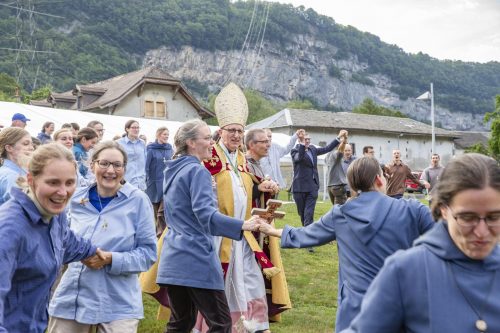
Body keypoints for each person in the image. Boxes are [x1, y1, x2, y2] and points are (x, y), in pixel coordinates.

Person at [259, 156, 435, 332]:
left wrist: (271, 230)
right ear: (378, 179)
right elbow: (447, 235)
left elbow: (304, 235)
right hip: (402, 306)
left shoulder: (340, 214)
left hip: (355, 310)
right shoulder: (414, 210)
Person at [341, 153, 500, 333]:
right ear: (444, 210)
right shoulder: (406, 271)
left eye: (494, 217)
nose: (481, 231)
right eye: (467, 217)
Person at [156, 119, 265, 333]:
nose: (211, 142)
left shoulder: (173, 169)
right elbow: (206, 216)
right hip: (196, 258)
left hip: (173, 257)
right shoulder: (198, 172)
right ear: (191, 143)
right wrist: (243, 225)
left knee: (181, 323)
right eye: (206, 138)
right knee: (221, 323)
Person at [197, 83, 289, 333]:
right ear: (221, 131)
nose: (236, 135)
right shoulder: (210, 158)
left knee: (249, 278)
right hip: (218, 233)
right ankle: (214, 326)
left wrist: (264, 187)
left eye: (239, 131)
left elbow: (245, 190)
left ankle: (253, 324)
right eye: (231, 131)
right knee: (220, 282)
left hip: (244, 233)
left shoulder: (240, 160)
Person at [48, 141, 157, 333]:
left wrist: (111, 259)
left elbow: (148, 254)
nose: (110, 170)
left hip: (117, 300)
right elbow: (57, 240)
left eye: (117, 165)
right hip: (73, 296)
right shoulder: (75, 198)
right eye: (104, 163)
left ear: (124, 168)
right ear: (92, 165)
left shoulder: (138, 201)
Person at [0, 143, 100, 333]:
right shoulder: (9, 230)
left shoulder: (52, 212)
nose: (63, 192)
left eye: (69, 183)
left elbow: (65, 239)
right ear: (31, 180)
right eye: (53, 182)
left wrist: (93, 251)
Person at [291, 129, 346, 229]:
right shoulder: (295, 151)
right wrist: (302, 145)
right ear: (300, 140)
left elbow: (327, 148)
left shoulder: (313, 149)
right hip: (299, 189)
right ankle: (305, 233)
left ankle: (309, 239)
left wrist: (338, 137)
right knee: (302, 214)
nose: (307, 141)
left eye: (308, 139)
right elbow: (299, 158)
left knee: (309, 214)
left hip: (312, 187)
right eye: (305, 139)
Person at [146, 126, 173, 236]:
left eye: (167, 134)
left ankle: (160, 233)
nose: (166, 136)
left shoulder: (169, 148)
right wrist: (146, 180)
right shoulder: (151, 149)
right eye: (164, 134)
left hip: (166, 181)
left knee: (162, 210)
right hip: (153, 182)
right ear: (158, 135)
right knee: (154, 208)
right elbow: (146, 166)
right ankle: (153, 231)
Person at [0, 127, 34, 204]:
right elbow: (26, 206)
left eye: (32, 144)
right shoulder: (10, 175)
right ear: (9, 148)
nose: (32, 148)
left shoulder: (21, 170)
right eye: (26, 143)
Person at [260, 128, 299, 192]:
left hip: (276, 184)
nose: (269, 138)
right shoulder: (257, 149)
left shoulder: (275, 146)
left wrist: (295, 137)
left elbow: (286, 150)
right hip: (264, 184)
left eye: (270, 136)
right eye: (267, 136)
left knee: (275, 202)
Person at [117, 120, 147, 190]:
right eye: (133, 128)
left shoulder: (142, 143)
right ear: (127, 129)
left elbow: (144, 161)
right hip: (126, 182)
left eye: (138, 128)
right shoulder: (119, 143)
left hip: (141, 182)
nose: (136, 130)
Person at [326, 138, 355, 206]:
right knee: (340, 209)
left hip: (334, 186)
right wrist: (344, 142)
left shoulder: (355, 160)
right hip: (339, 186)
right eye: (345, 150)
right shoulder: (337, 157)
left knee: (337, 208)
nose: (347, 152)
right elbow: (339, 152)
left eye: (349, 150)